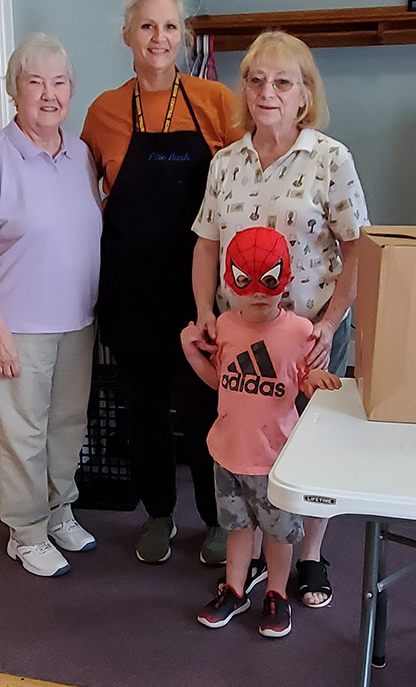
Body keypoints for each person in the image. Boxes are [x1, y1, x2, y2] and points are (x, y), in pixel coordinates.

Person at [192, 30, 368, 605]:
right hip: (240, 331)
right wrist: (204, 315)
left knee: (311, 444)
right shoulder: (226, 163)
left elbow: (359, 248)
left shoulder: (329, 159)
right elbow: (206, 244)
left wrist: (332, 319)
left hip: (311, 332)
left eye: (282, 81)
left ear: (303, 95)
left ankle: (309, 555)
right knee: (253, 440)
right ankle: (256, 547)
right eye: (256, 79)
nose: (267, 91)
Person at [81, 0, 243, 565]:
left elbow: (242, 187)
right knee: (144, 407)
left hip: (201, 290)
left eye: (170, 26)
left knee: (207, 408)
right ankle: (158, 514)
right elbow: (83, 198)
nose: (159, 37)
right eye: (147, 26)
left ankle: (216, 517)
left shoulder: (216, 101)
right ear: (128, 35)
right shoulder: (102, 111)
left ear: (183, 36)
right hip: (130, 291)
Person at [0, 33, 102, 577]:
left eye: (59, 82)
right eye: (34, 81)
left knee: (66, 426)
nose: (48, 93)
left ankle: (59, 511)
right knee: (22, 434)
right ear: (15, 90)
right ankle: (26, 530)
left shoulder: (81, 154)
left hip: (77, 321)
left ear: (71, 91)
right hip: (19, 325)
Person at [182, 227, 341, 637]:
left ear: (284, 280)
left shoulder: (298, 331)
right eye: (244, 282)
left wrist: (316, 379)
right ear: (228, 282)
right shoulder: (225, 327)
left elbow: (304, 381)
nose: (257, 293)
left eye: (268, 282)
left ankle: (276, 593)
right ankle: (235, 589)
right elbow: (219, 382)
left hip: (274, 462)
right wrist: (189, 351)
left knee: (279, 535)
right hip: (228, 453)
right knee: (237, 529)